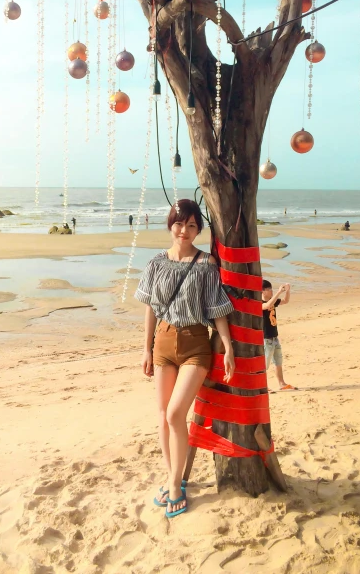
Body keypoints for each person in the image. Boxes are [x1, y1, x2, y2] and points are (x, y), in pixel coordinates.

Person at [135, 200, 235, 519]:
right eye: (180, 224)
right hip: (163, 342)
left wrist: (229, 347)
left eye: (192, 226)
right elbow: (150, 307)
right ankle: (171, 475)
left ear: (198, 230)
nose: (185, 231)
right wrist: (146, 348)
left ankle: (176, 484)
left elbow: (217, 307)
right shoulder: (155, 264)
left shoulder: (206, 264)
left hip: (195, 344)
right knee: (164, 413)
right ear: (171, 225)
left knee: (177, 412)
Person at [262, 280, 296, 391]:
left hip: (274, 337)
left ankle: (282, 383)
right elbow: (267, 305)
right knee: (264, 365)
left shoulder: (273, 301)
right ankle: (262, 386)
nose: (271, 291)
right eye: (269, 289)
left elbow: (285, 301)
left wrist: (287, 291)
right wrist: (278, 292)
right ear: (263, 291)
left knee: (278, 361)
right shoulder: (259, 303)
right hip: (266, 339)